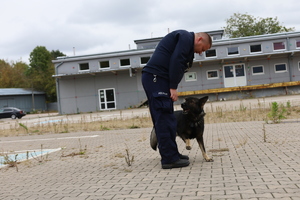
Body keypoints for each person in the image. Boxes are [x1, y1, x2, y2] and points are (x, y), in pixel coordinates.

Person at [142, 30, 212, 169]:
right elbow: (177, 60)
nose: (200, 53)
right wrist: (173, 87)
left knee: (169, 118)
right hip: (156, 78)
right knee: (164, 118)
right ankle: (169, 159)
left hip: (159, 79)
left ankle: (173, 154)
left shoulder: (184, 41)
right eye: (203, 49)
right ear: (199, 40)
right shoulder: (185, 37)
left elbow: (177, 64)